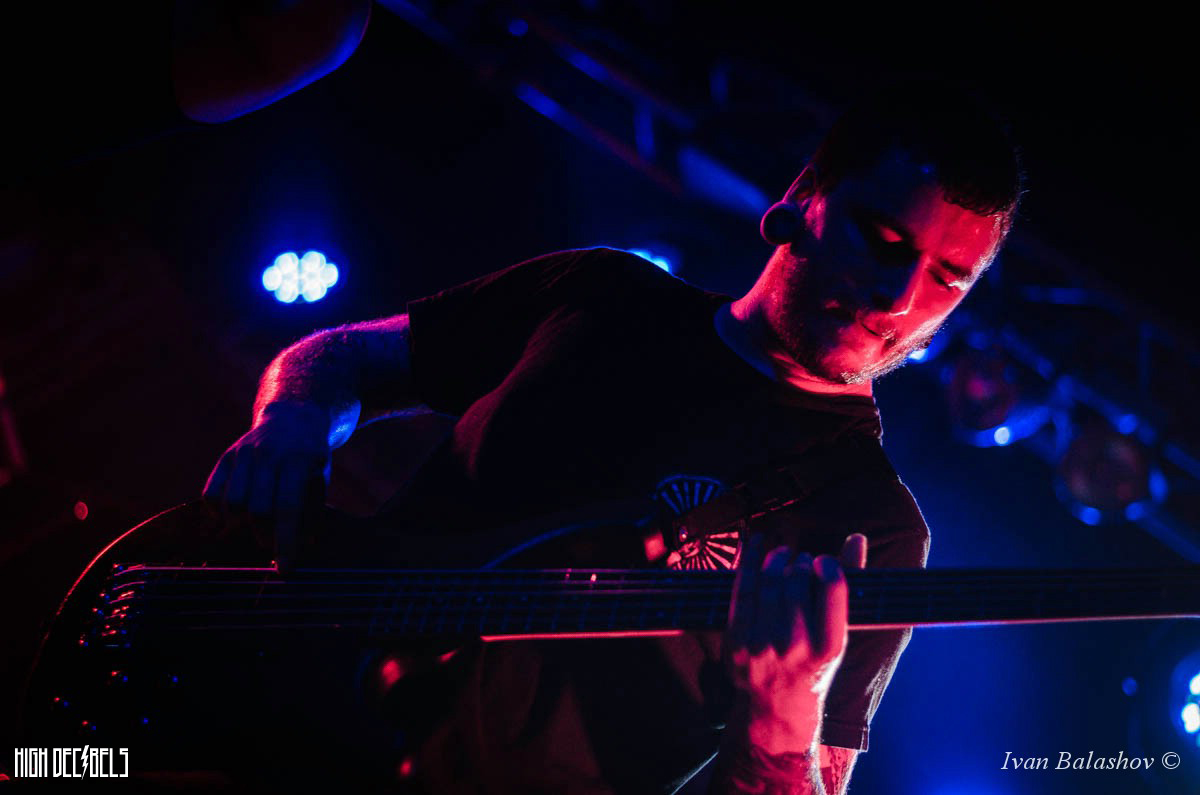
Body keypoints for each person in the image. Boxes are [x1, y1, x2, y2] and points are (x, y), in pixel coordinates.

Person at [203, 79, 1023, 794]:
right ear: (806, 194)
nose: (897, 296)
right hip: (279, 718)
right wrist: (291, 417)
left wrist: (783, 721)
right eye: (882, 238)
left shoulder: (874, 525)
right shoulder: (604, 297)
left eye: (946, 279)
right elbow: (344, 357)